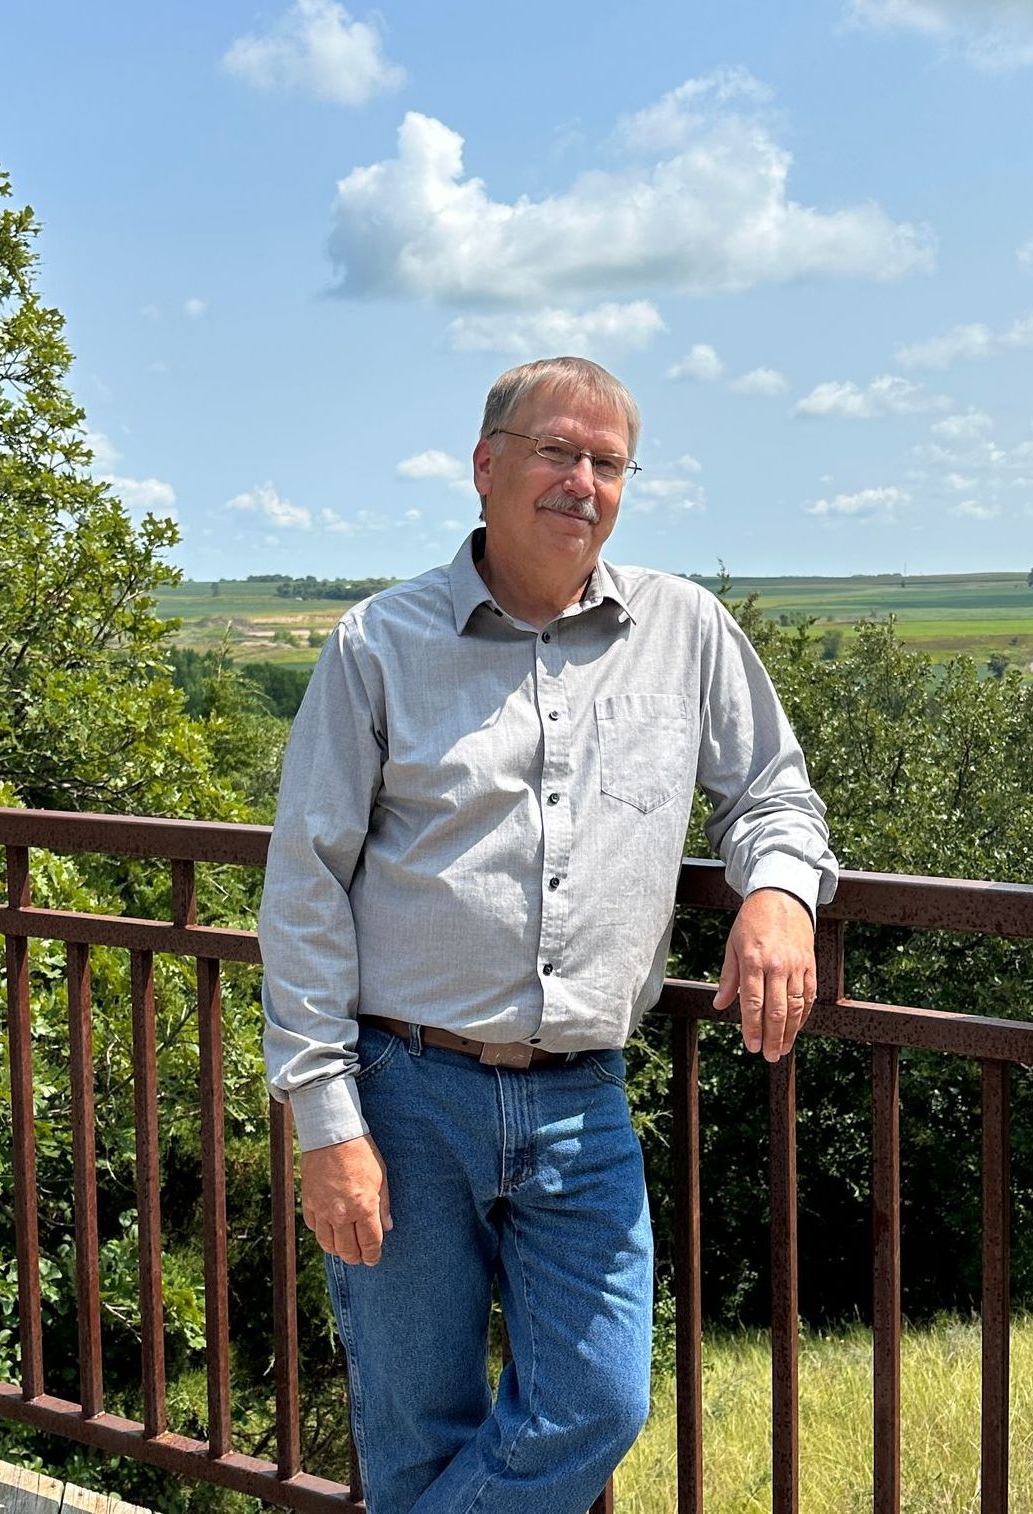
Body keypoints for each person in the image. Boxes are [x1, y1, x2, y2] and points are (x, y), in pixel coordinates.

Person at [259, 355, 837, 1514]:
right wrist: (326, 1119)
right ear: (485, 466)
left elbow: (773, 792)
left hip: (582, 1092)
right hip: (402, 1088)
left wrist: (777, 891)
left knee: (597, 1400)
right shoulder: (379, 642)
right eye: (554, 451)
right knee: (417, 1430)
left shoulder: (683, 628)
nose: (581, 479)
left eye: (606, 461)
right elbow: (305, 886)